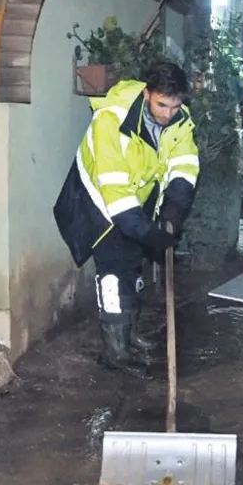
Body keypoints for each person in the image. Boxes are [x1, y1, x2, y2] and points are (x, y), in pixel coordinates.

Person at [53, 62, 200, 379]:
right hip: (99, 202)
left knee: (132, 267)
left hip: (136, 198)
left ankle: (130, 334)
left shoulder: (179, 119)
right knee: (113, 274)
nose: (168, 114)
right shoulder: (111, 119)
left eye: (175, 106)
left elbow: (184, 163)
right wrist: (147, 232)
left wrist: (175, 206)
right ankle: (115, 353)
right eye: (162, 105)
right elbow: (115, 190)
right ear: (147, 94)